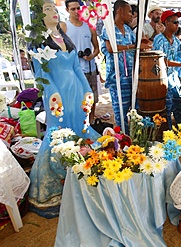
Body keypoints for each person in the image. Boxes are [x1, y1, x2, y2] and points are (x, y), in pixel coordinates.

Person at [27, 0, 100, 218]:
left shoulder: (65, 39)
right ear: (38, 19)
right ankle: (53, 190)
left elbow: (77, 67)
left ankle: (87, 175)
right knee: (58, 134)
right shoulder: (39, 42)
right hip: (57, 96)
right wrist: (53, 92)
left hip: (77, 93)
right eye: (47, 9)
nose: (53, 12)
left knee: (82, 128)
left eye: (54, 8)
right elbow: (41, 74)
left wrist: (88, 90)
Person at [101, 0, 152, 132]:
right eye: (129, 11)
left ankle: (133, 139)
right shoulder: (109, 28)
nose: (131, 15)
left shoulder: (128, 30)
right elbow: (111, 48)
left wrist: (143, 42)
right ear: (120, 11)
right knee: (121, 115)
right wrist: (134, 46)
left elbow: (136, 45)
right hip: (117, 77)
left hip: (131, 78)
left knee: (134, 111)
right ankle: (122, 142)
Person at [61, 0, 100, 123]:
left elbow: (97, 48)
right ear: (67, 10)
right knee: (76, 98)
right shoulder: (64, 27)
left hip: (90, 68)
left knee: (92, 97)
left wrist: (91, 56)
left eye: (78, 8)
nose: (76, 11)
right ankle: (78, 122)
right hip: (73, 70)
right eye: (73, 9)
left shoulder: (89, 26)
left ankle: (92, 121)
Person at [152, 10, 181, 128]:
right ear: (166, 22)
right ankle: (169, 133)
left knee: (178, 105)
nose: (177, 25)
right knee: (167, 108)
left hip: (174, 79)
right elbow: (160, 61)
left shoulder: (176, 41)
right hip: (163, 79)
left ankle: (180, 132)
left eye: (178, 22)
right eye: (175, 22)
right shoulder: (159, 39)